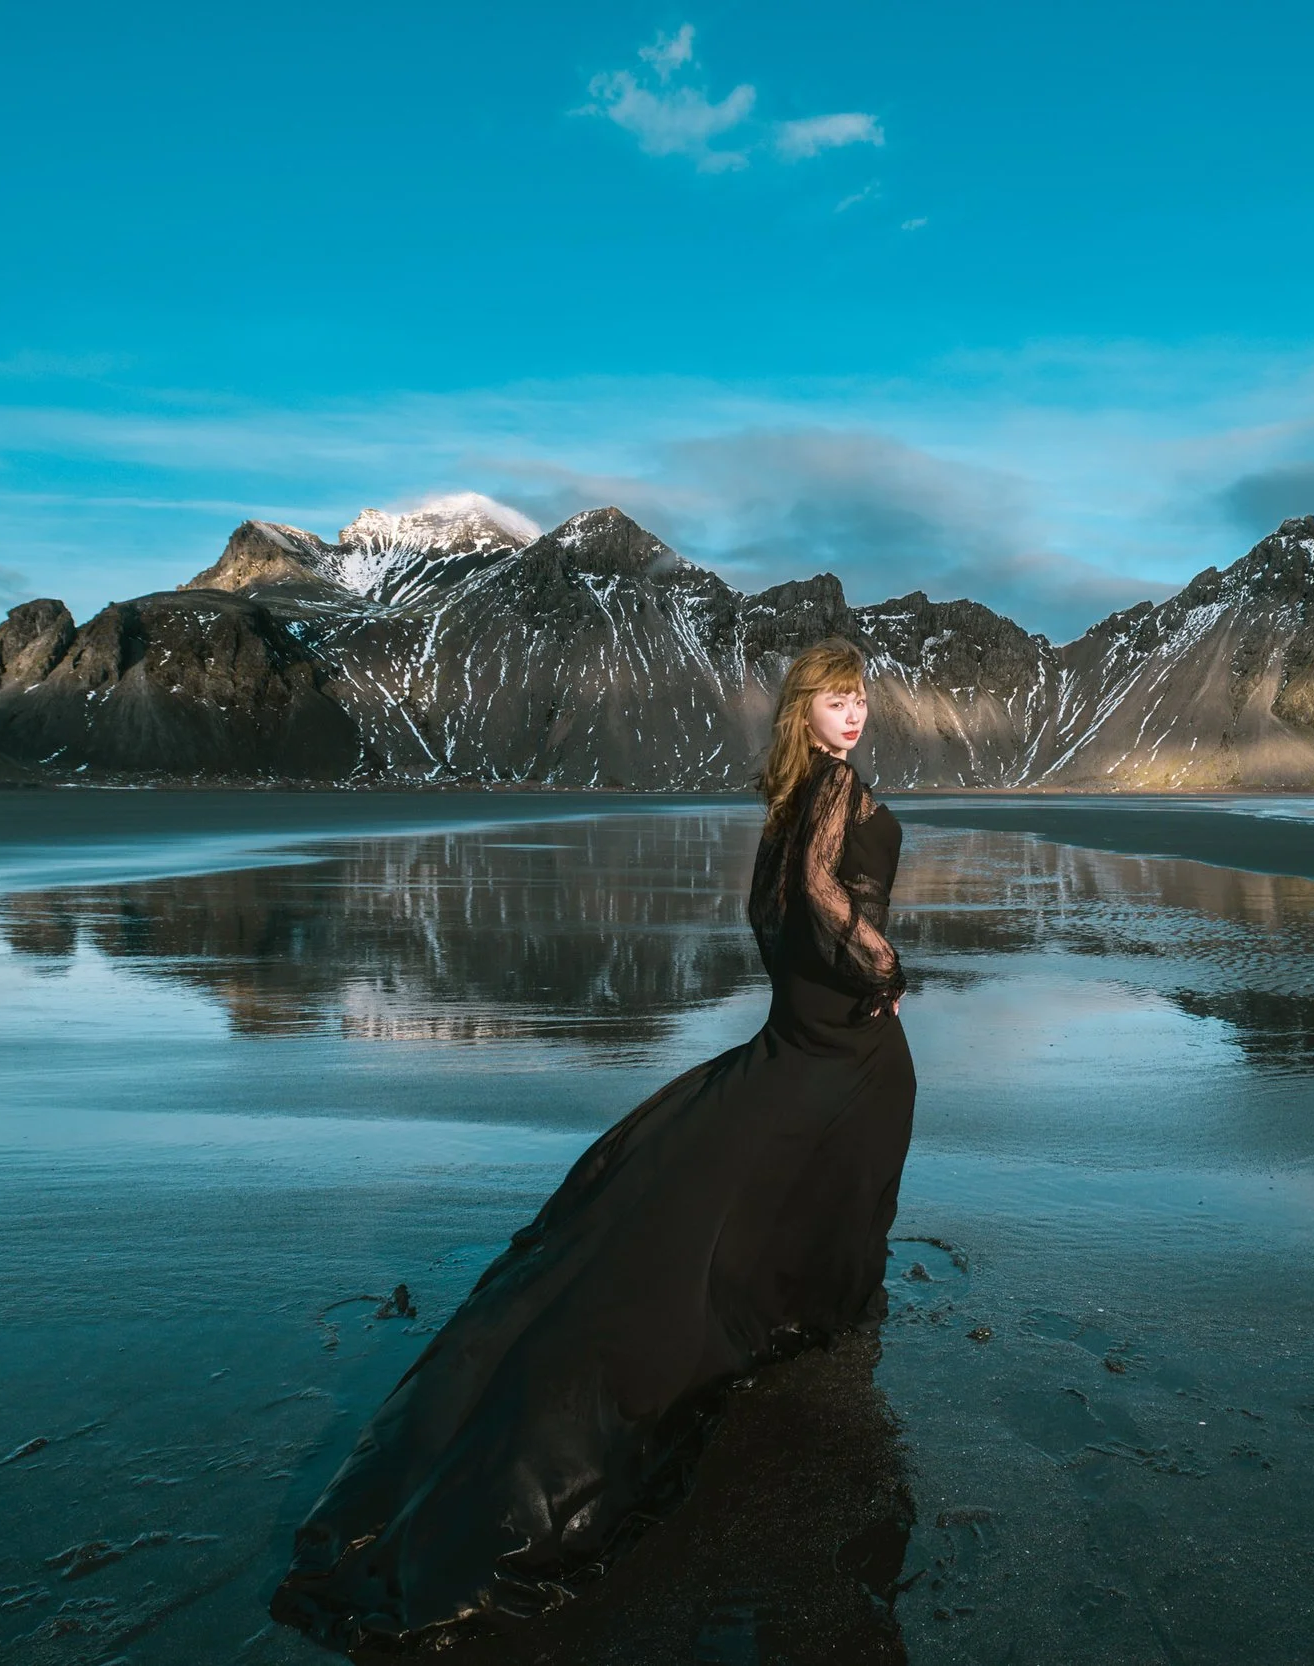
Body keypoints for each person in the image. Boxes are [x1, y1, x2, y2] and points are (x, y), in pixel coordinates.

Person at [273, 637, 915, 1654]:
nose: (853, 715)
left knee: (698, 1201)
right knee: (783, 1200)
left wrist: (829, 978)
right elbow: (826, 897)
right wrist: (883, 963)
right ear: (805, 712)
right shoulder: (834, 791)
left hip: (805, 1042)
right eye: (836, 699)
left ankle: (793, 1313)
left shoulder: (786, 800)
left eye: (861, 698)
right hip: (842, 1054)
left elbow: (778, 908)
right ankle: (803, 1322)